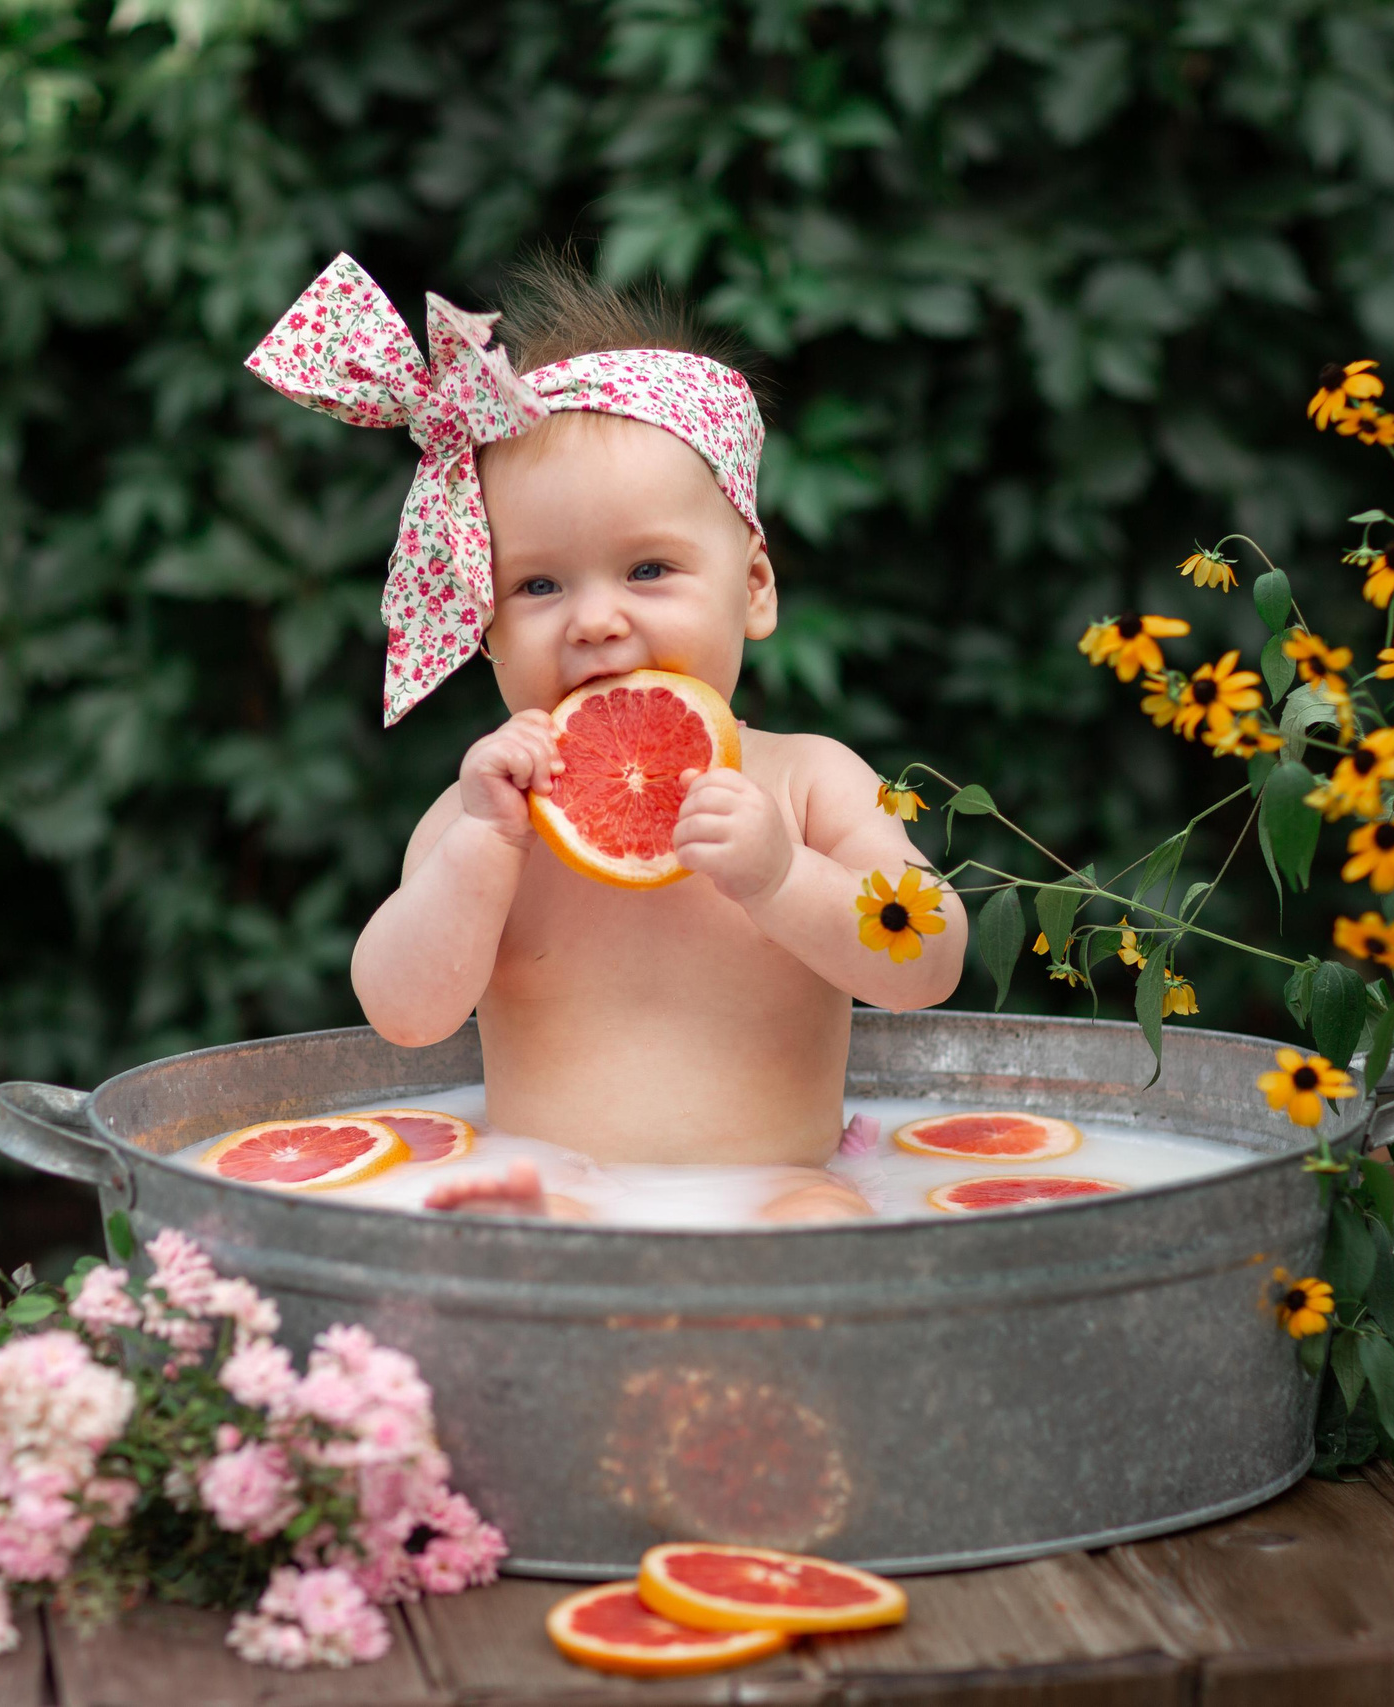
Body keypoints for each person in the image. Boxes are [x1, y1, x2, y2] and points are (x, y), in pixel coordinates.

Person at [245, 253, 964, 1222]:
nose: (592, 620)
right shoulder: (484, 811)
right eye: (538, 585)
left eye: (648, 569)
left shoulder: (808, 782)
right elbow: (403, 1017)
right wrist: (480, 852)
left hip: (780, 1189)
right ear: (483, 625)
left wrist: (780, 877)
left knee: (825, 1235)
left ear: (752, 585)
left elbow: (926, 963)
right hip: (556, 1187)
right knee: (509, 1228)